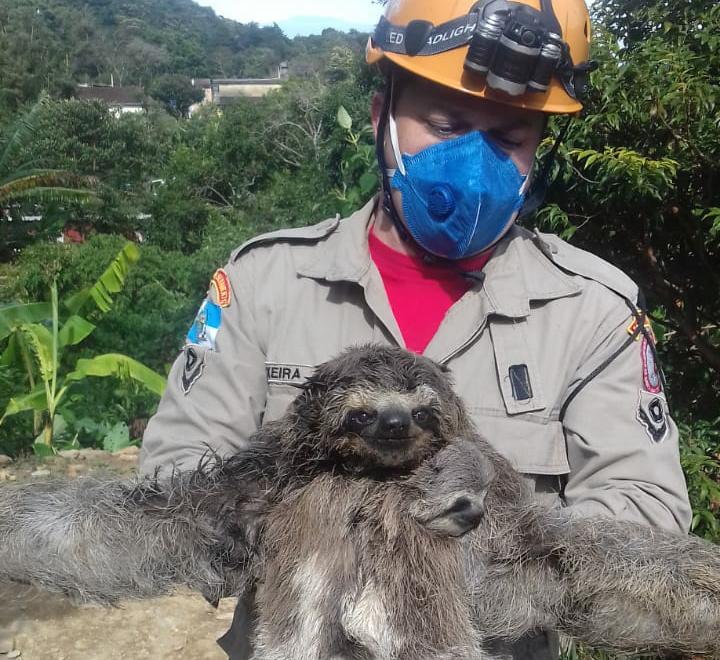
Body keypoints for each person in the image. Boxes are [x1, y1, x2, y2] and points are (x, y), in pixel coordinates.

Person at [139, 0, 692, 657]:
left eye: (509, 138)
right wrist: (326, 526)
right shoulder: (265, 282)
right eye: (449, 123)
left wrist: (467, 551)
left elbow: (646, 520)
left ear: (536, 150)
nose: (476, 163)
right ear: (382, 120)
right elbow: (176, 480)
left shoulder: (593, 310)